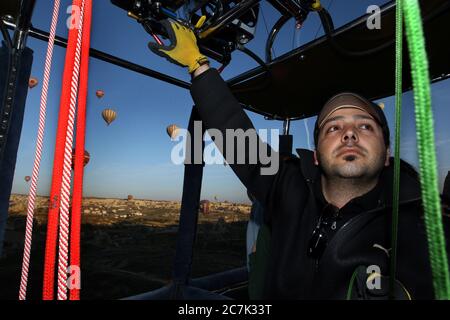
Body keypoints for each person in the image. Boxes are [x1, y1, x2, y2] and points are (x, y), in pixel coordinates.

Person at [148, 20, 450, 299]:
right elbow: (235, 136)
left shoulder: (424, 230)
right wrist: (198, 65)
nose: (349, 133)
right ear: (316, 156)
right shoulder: (288, 187)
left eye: (365, 126)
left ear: (387, 156)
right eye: (334, 127)